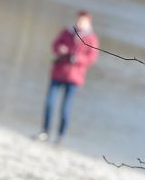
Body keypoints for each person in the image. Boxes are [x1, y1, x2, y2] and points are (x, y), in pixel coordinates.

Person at [37, 11, 99, 144]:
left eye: (82, 21)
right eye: (78, 20)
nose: (79, 23)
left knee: (65, 108)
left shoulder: (91, 38)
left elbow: (92, 58)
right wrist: (60, 49)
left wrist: (77, 59)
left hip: (74, 77)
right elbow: (54, 45)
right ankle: (45, 132)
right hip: (58, 72)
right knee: (50, 103)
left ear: (88, 23)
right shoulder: (67, 32)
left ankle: (60, 136)